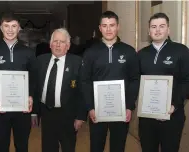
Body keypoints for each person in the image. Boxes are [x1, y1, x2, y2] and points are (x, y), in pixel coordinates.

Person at [81, 11, 140, 152]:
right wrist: (90, 107)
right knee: (96, 146)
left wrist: (129, 106)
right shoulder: (90, 52)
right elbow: (84, 80)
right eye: (105, 26)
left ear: (118, 27)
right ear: (100, 28)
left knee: (118, 147)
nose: (108, 29)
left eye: (112, 25)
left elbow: (134, 79)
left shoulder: (129, 51)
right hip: (97, 109)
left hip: (121, 110)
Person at [0, 12, 35, 152]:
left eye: (14, 26)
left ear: (19, 29)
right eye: (6, 26)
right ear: (1, 28)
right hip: (0, 109)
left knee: (22, 145)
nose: (10, 30)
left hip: (22, 109)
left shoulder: (28, 52)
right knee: (1, 145)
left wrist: (30, 96)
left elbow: (34, 78)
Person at [137, 12, 189, 152]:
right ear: (149, 31)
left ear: (168, 29)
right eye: (153, 27)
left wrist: (174, 105)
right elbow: (136, 81)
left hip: (172, 115)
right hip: (147, 117)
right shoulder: (141, 54)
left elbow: (186, 81)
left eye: (162, 26)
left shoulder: (182, 51)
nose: (158, 30)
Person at [32, 28, 87, 152]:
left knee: (68, 147)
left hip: (68, 115)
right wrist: (34, 112)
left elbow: (82, 91)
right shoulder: (40, 61)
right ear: (50, 44)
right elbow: (35, 88)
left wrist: (80, 116)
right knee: (48, 147)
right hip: (47, 113)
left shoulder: (77, 63)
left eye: (61, 42)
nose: (57, 44)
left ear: (68, 46)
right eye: (55, 41)